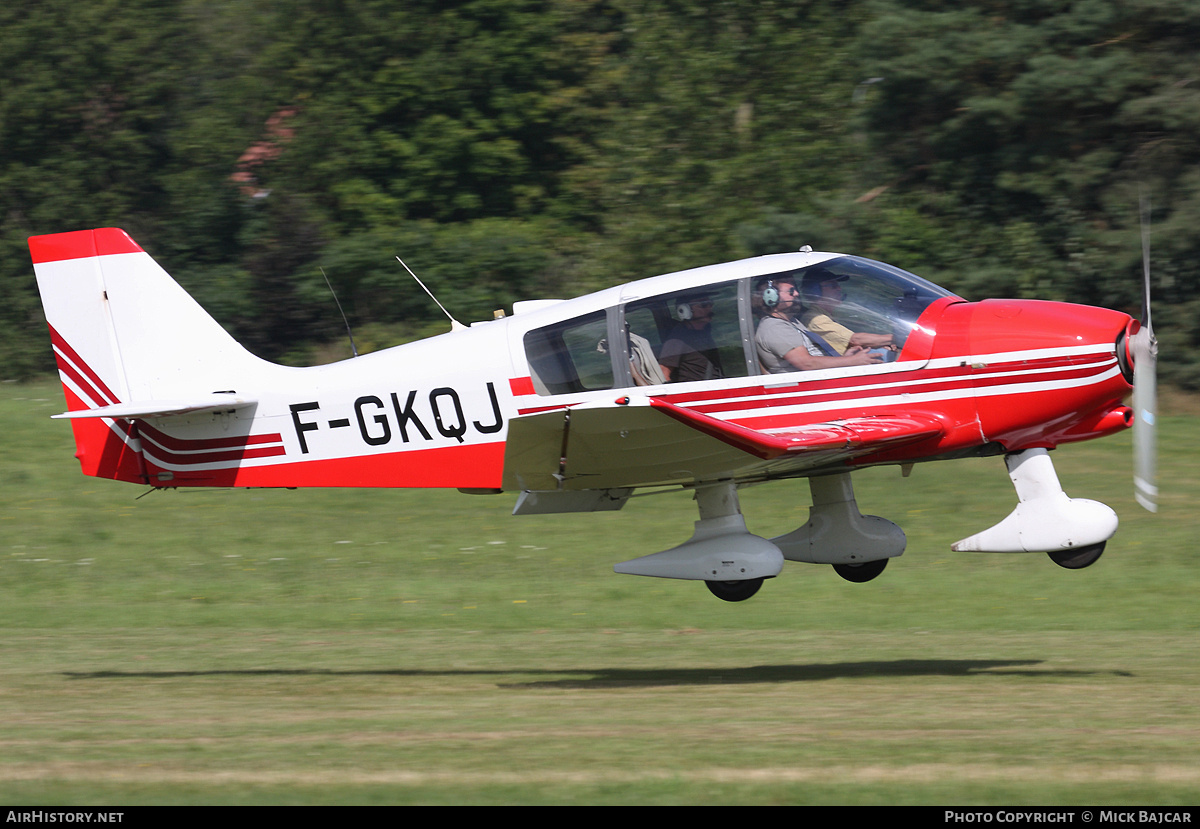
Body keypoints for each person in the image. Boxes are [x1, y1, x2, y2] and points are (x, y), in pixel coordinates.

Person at [754, 276, 882, 374]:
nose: (797, 294)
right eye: (791, 292)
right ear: (771, 297)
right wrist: (851, 361)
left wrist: (844, 358)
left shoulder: (792, 322)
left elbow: (814, 356)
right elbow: (806, 363)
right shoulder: (774, 328)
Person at [798, 268, 896, 355]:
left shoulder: (827, 315)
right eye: (833, 285)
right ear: (814, 291)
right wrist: (898, 339)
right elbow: (855, 340)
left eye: (838, 285)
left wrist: (880, 345)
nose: (839, 288)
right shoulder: (816, 319)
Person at [658, 292, 724, 383]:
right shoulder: (678, 338)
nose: (709, 308)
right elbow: (663, 372)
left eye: (711, 304)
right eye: (703, 305)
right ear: (685, 310)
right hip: (699, 393)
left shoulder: (705, 330)